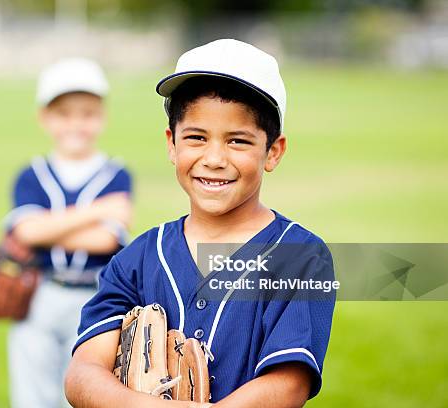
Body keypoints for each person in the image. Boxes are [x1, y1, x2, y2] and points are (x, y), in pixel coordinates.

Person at [64, 39, 335, 407]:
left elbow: (289, 385)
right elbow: (83, 375)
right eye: (196, 137)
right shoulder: (137, 260)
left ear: (273, 151)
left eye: (238, 141)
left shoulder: (300, 256)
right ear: (171, 144)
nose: (214, 158)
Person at [4, 57, 133, 408]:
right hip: (40, 293)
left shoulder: (116, 174)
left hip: (94, 297)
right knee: (33, 395)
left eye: (87, 113)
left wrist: (50, 228)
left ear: (102, 117)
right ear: (45, 118)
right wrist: (97, 211)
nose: (76, 123)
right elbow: (27, 232)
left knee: (82, 392)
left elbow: (105, 240)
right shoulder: (31, 174)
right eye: (64, 113)